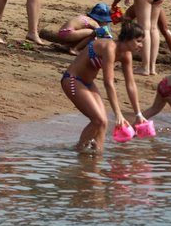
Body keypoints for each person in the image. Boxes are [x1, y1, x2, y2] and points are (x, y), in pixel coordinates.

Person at [61, 22, 145, 153]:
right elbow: (108, 82)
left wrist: (138, 114)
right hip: (72, 80)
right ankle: (78, 151)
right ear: (127, 39)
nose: (141, 45)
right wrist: (118, 114)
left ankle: (96, 157)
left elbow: (131, 84)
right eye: (139, 41)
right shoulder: (109, 48)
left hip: (88, 83)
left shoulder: (126, 54)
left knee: (103, 123)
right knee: (98, 120)